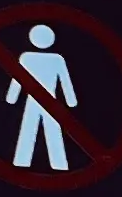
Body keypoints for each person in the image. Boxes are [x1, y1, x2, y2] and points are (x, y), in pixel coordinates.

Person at [6, 22, 79, 171]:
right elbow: (65, 81)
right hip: (48, 101)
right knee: (47, 129)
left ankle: (24, 160)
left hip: (36, 100)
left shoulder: (29, 58)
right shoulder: (52, 59)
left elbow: (18, 79)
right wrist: (70, 101)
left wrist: (12, 97)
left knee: (29, 128)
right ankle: (57, 163)